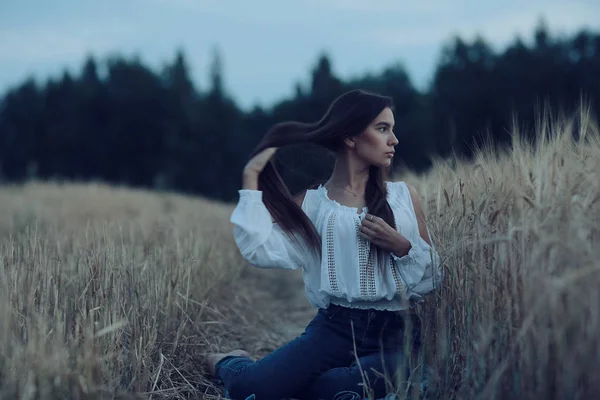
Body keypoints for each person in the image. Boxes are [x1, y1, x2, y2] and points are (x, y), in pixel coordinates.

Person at [206, 89, 444, 400]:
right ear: (350, 138)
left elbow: (433, 278)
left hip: (395, 335)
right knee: (253, 390)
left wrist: (401, 246)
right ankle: (230, 363)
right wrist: (251, 176)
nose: (394, 140)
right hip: (333, 330)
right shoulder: (314, 203)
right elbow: (259, 250)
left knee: (338, 391)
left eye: (392, 129)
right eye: (383, 128)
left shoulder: (402, 197)